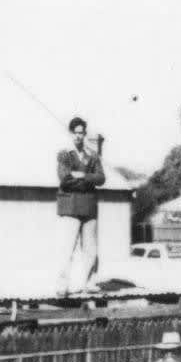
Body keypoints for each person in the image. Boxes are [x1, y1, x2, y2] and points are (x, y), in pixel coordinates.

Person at [56, 116, 107, 296]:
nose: (78, 136)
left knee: (91, 249)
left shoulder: (92, 156)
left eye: (81, 133)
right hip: (70, 207)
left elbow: (101, 178)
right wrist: (86, 180)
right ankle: (62, 286)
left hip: (89, 208)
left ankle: (90, 283)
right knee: (67, 248)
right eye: (75, 133)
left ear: (85, 134)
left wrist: (82, 176)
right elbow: (65, 179)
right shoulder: (64, 155)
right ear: (71, 134)